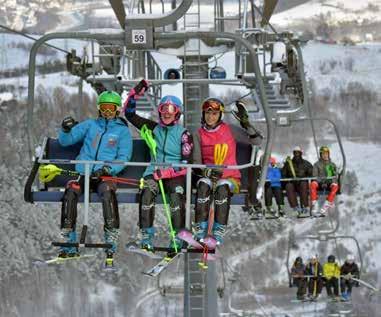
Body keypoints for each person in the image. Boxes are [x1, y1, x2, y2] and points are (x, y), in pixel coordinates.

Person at [58, 91, 133, 267]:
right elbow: (66, 141)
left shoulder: (122, 131)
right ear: (99, 109)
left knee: (107, 194)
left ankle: (111, 237)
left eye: (111, 109)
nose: (107, 112)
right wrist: (65, 129)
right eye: (104, 108)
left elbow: (124, 157)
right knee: (70, 193)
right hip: (84, 171)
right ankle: (69, 239)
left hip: (104, 175)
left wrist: (108, 169)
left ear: (117, 110)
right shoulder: (90, 125)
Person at [124, 79, 193, 253]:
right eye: (163, 109)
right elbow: (130, 114)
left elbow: (186, 164)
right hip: (153, 172)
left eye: (171, 110)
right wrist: (134, 95)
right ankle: (146, 236)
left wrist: (168, 172)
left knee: (176, 198)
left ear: (177, 113)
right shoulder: (153, 128)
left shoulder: (184, 135)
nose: (166, 113)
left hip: (175, 175)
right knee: (147, 193)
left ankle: (177, 236)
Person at [192, 99, 262, 244]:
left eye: (214, 114)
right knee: (203, 186)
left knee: (222, 187)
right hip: (209, 176)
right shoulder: (198, 134)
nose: (210, 117)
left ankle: (218, 230)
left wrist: (246, 124)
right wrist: (206, 173)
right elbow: (197, 163)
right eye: (208, 113)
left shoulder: (230, 130)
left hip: (231, 178)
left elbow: (257, 141)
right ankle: (200, 227)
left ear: (220, 115)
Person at [282, 146, 313, 216]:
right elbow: (283, 174)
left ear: (301, 153)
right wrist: (288, 180)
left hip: (302, 183)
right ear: (293, 153)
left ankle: (305, 206)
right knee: (288, 186)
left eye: (298, 153)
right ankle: (295, 207)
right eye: (295, 153)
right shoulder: (288, 164)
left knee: (303, 184)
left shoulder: (306, 164)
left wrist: (304, 178)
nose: (296, 154)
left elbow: (311, 174)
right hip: (292, 183)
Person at [310, 146, 339, 217]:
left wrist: (332, 181)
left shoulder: (332, 165)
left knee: (335, 186)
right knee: (312, 184)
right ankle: (314, 205)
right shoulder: (316, 164)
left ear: (328, 154)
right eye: (323, 154)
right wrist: (321, 182)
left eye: (326, 153)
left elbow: (335, 176)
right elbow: (315, 176)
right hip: (319, 183)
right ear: (321, 155)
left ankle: (325, 206)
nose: (325, 155)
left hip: (329, 183)